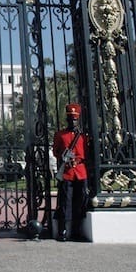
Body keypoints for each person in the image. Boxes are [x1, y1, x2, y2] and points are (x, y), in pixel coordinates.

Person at [53, 103, 88, 241]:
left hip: (80, 171)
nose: (72, 121)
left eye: (74, 119)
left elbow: (87, 153)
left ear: (78, 119)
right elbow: (55, 151)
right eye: (70, 119)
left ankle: (77, 230)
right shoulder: (60, 135)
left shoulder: (83, 136)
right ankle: (63, 230)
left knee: (80, 201)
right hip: (67, 171)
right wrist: (62, 157)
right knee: (65, 202)